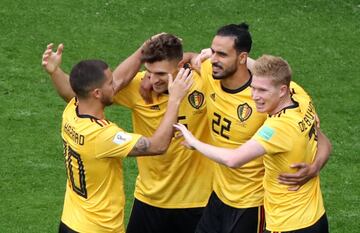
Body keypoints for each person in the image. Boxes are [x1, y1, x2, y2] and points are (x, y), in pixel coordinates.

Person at [42, 34, 213, 233]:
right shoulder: (108, 127)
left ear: (180, 66)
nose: (152, 79)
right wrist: (174, 98)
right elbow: (156, 145)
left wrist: (193, 57)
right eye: (149, 72)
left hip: (196, 200)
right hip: (149, 199)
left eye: (160, 74)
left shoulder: (203, 81)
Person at [183, 23, 330, 233]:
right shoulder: (298, 98)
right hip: (220, 195)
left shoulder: (274, 119)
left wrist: (193, 141)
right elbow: (189, 58)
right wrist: (196, 57)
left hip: (255, 205)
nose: (255, 96)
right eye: (213, 52)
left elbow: (234, 159)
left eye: (222, 54)